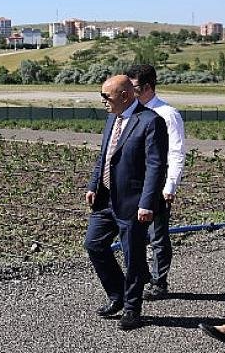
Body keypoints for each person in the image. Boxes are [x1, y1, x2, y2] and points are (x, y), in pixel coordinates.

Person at [84, 75, 168, 330]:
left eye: (106, 97)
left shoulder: (151, 121)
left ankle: (133, 308)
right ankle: (117, 295)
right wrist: (93, 184)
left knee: (133, 257)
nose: (103, 102)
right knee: (94, 244)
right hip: (106, 198)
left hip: (133, 202)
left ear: (125, 95)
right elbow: (105, 156)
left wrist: (147, 203)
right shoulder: (113, 118)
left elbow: (155, 166)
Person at [126, 64, 186, 301]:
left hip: (158, 185)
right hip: (135, 184)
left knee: (157, 235)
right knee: (136, 234)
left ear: (148, 87)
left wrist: (170, 185)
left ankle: (159, 282)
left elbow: (177, 152)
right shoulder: (133, 112)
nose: (130, 92)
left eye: (134, 87)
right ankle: (141, 277)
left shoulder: (167, 114)